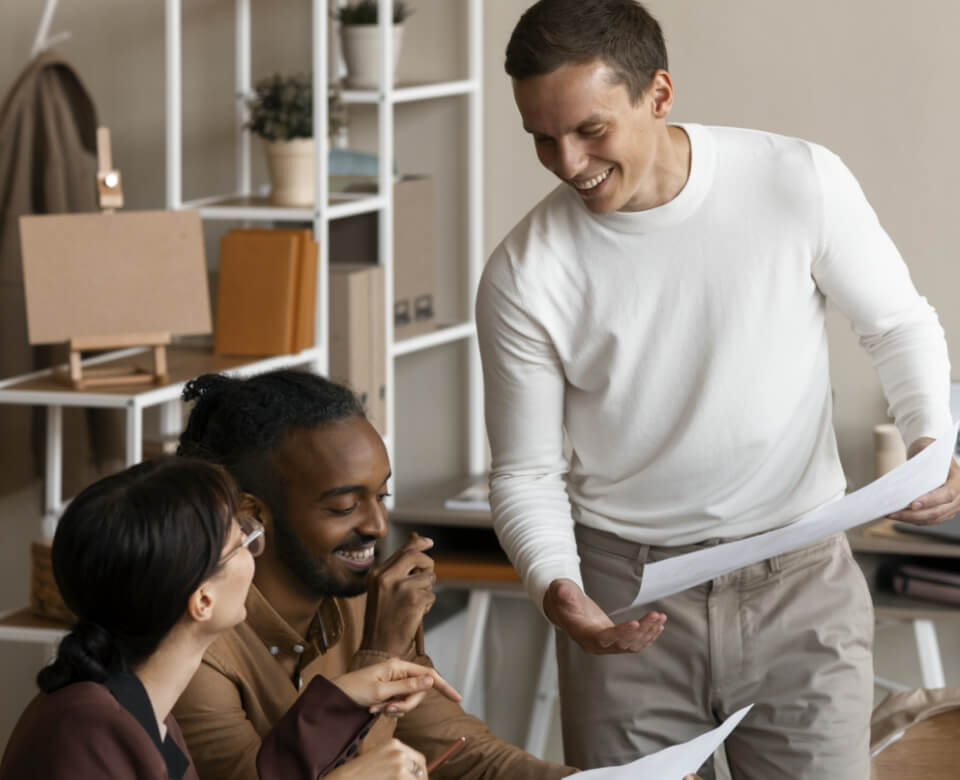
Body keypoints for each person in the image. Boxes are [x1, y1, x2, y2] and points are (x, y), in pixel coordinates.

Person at [475, 1, 959, 778]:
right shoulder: (523, 273)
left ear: (659, 95)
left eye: (590, 130)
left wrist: (928, 436)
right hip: (626, 601)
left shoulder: (795, 180)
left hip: (802, 584)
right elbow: (526, 472)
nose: (567, 161)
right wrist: (556, 584)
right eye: (542, 137)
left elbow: (897, 325)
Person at [173, 370, 578, 780]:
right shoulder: (196, 644)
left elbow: (465, 753)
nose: (379, 526)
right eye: (345, 507)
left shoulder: (360, 598)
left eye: (381, 496)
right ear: (253, 514)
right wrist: (380, 655)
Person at [0, 457, 459, 779]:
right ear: (201, 600)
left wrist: (346, 699)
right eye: (241, 541)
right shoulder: (85, 732)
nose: (254, 553)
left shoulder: (137, 710)